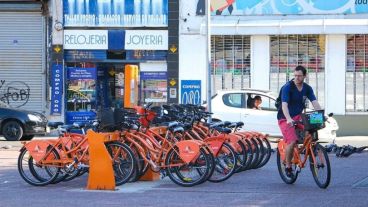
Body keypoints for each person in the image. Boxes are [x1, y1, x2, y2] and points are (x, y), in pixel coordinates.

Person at [277, 65, 322, 178]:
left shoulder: (307, 88)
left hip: (298, 116)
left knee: (311, 130)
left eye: (299, 76)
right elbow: (284, 105)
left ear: (305, 76)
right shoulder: (288, 87)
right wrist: (288, 119)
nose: (297, 78)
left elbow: (314, 102)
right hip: (285, 118)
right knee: (292, 141)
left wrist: (321, 115)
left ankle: (308, 149)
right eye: (295, 75)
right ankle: (288, 166)